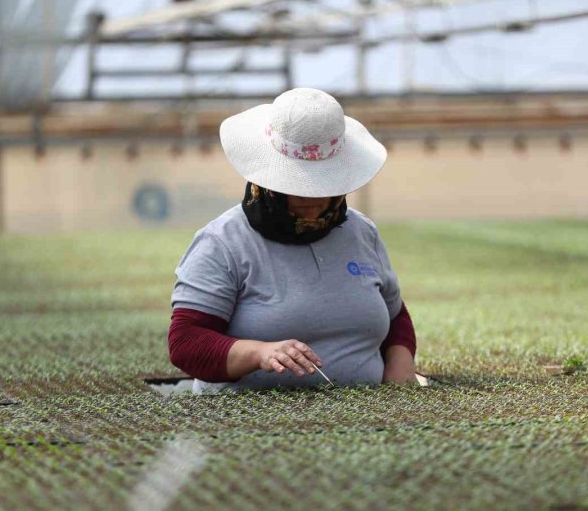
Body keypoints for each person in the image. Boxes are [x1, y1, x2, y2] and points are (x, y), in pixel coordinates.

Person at [167, 88, 417, 394]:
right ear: (267, 184)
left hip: (365, 420)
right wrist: (259, 353)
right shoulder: (222, 242)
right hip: (245, 425)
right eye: (299, 189)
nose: (312, 201)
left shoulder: (362, 233)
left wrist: (399, 371)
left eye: (323, 189)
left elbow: (395, 317)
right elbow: (186, 343)